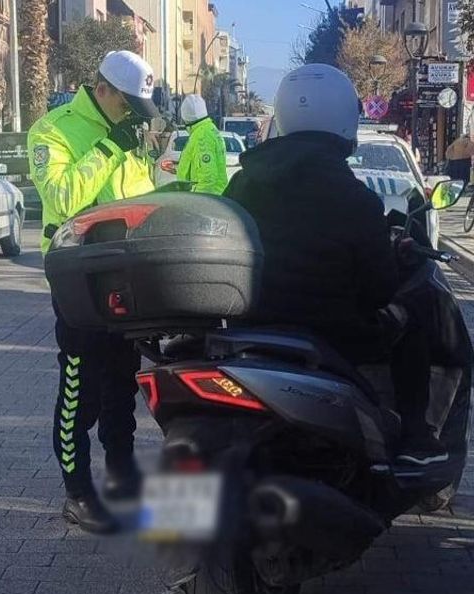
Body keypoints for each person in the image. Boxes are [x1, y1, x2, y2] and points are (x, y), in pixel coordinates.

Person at [224, 64, 446, 465]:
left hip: (250, 327)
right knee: (411, 318)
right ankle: (415, 436)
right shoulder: (355, 198)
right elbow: (379, 289)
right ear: (345, 118)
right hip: (335, 336)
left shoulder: (241, 184)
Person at [27, 50, 160, 533]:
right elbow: (62, 197)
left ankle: (123, 480)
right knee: (79, 390)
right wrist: (109, 149)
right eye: (126, 105)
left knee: (121, 383)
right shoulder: (53, 130)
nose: (131, 117)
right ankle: (78, 493)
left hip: (123, 272)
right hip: (78, 276)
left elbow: (139, 198)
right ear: (102, 90)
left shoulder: (127, 135)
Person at [176, 93, 229, 194]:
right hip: (214, 195)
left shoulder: (201, 136)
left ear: (185, 116)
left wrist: (197, 200)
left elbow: (208, 178)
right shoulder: (209, 129)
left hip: (207, 198)